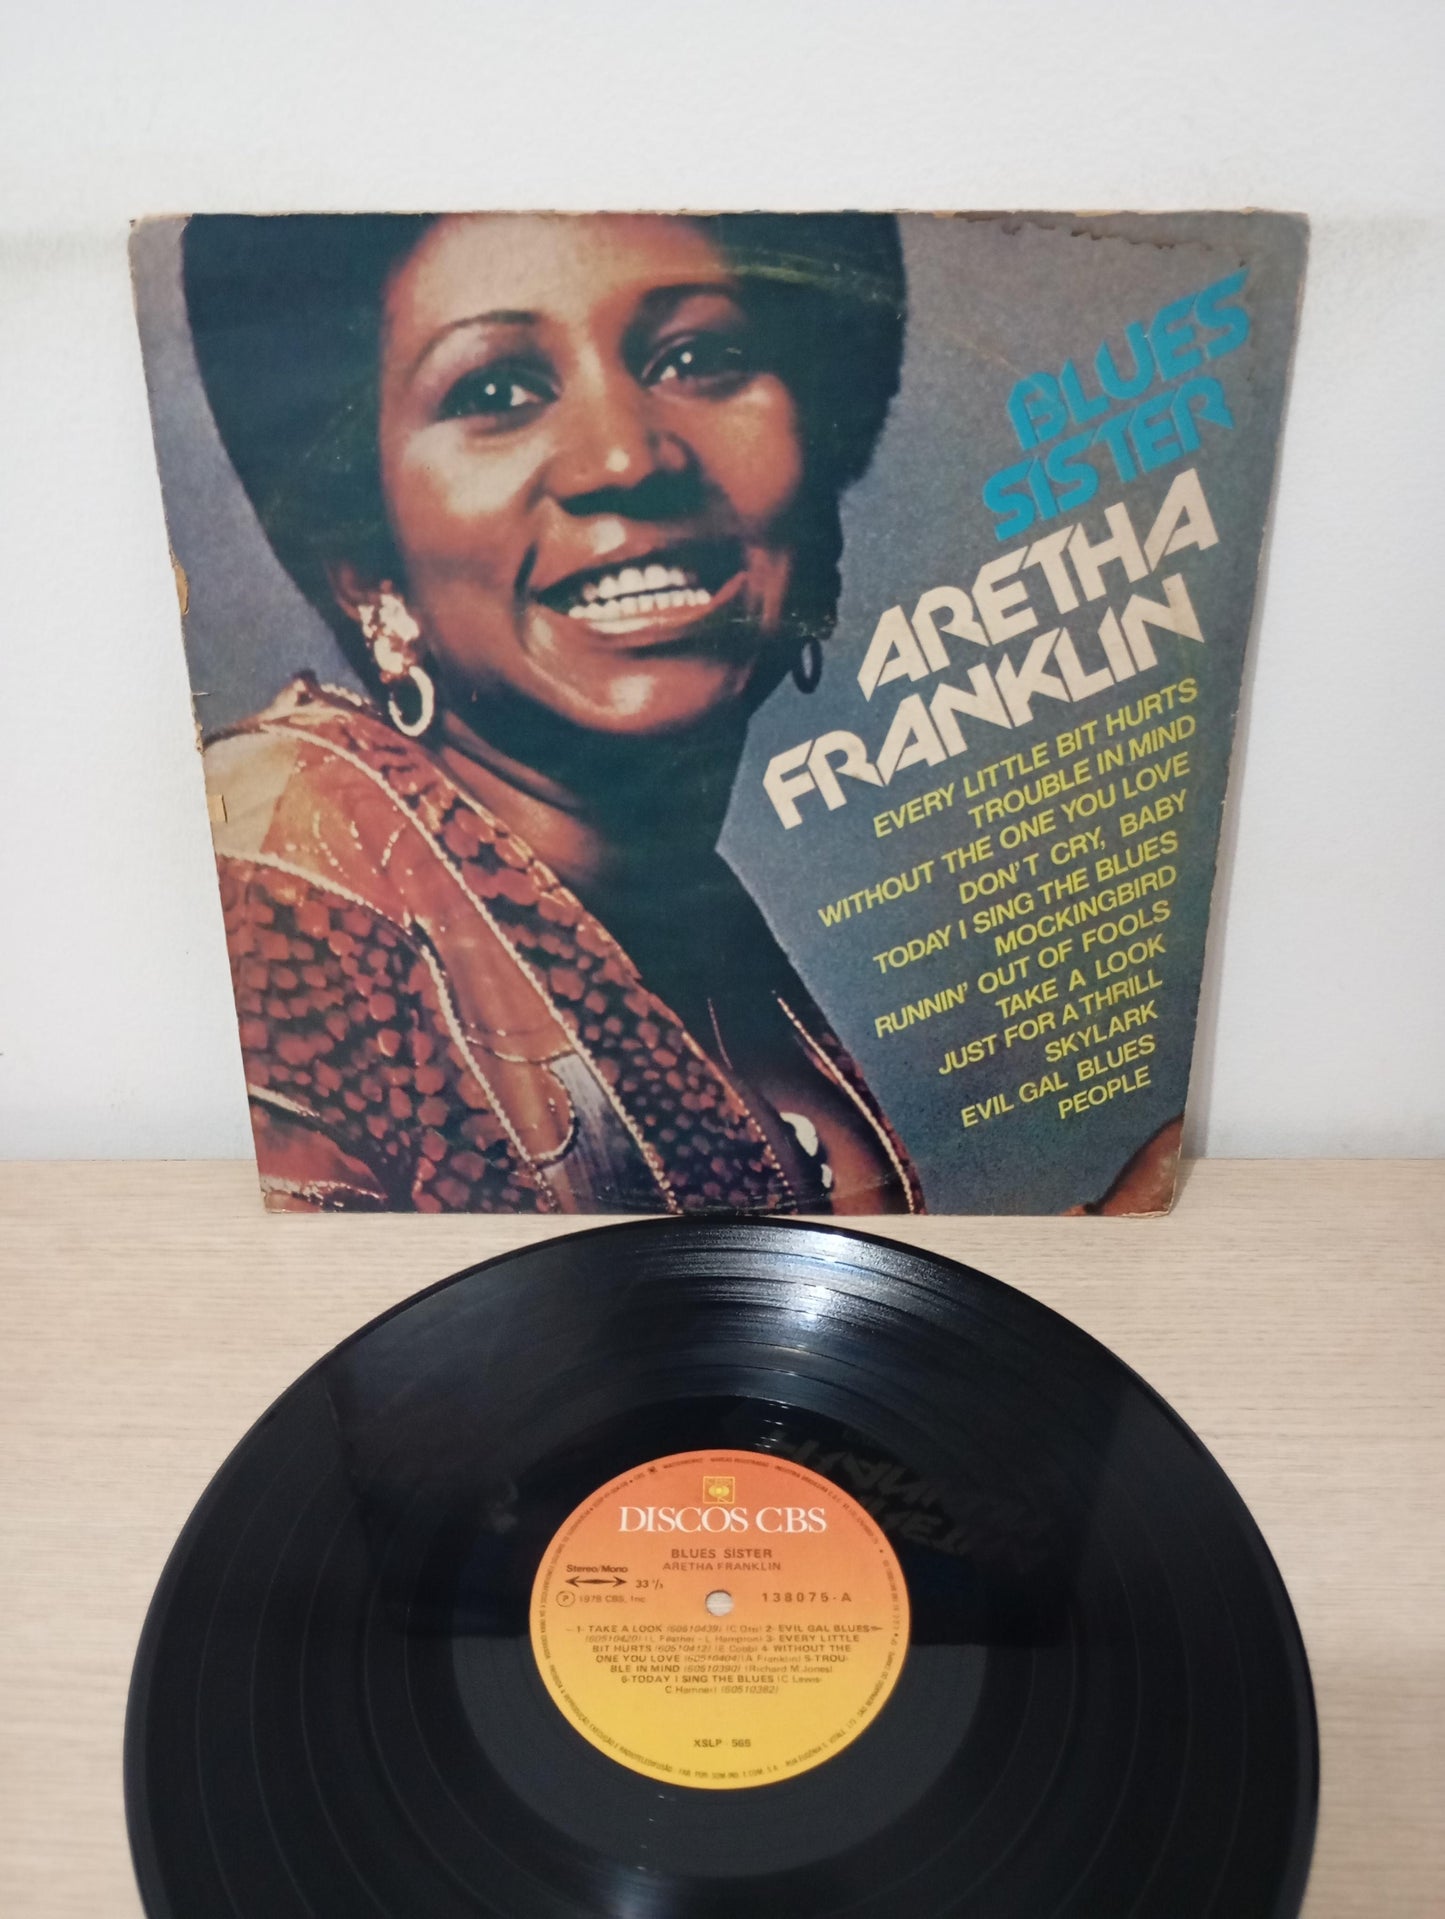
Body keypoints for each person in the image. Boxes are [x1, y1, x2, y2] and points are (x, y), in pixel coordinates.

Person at [185, 213, 926, 1213]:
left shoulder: (684, 916)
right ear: (364, 561)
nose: (625, 457)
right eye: (495, 392)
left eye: (696, 357)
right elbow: (271, 1304)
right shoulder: (284, 871)